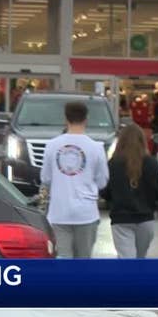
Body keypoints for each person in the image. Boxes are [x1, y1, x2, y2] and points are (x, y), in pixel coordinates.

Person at [40, 101, 109, 259]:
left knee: (63, 259)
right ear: (86, 119)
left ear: (66, 119)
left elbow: (45, 178)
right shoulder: (96, 147)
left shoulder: (51, 146)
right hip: (86, 213)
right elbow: (102, 181)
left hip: (59, 211)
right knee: (83, 261)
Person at [102, 124, 158, 259]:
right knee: (140, 259)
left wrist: (113, 200)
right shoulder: (152, 163)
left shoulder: (113, 164)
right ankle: (139, 280)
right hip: (145, 218)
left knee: (126, 259)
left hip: (121, 218)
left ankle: (129, 280)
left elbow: (104, 190)